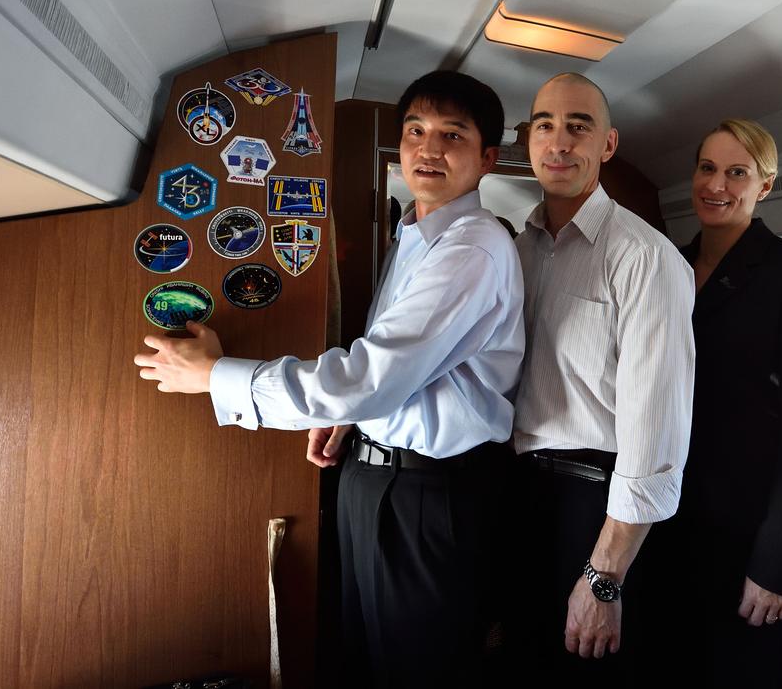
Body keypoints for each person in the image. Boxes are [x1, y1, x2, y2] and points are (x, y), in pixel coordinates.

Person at [134, 70, 525, 687]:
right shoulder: (418, 236)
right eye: (416, 130)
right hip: (376, 479)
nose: (429, 148)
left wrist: (216, 377)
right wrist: (348, 418)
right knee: (362, 660)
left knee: (417, 667)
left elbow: (373, 376)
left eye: (453, 135)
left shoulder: (472, 248)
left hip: (427, 497)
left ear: (487, 158)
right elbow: (395, 367)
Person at [640, 118, 782, 686]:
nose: (717, 185)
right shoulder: (665, 268)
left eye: (737, 173)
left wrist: (780, 564)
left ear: (765, 186)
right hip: (660, 521)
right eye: (707, 168)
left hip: (744, 539)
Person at [505, 72, 695, 680]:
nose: (559, 143)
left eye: (577, 127)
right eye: (545, 126)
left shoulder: (644, 257)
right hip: (520, 492)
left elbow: (655, 435)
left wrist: (603, 579)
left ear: (607, 146)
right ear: (528, 142)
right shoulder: (517, 249)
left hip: (597, 506)